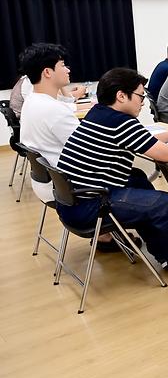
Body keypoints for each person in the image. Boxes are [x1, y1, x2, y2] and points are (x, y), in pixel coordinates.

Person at [56, 68, 168, 272]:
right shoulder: (120, 122)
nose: (142, 101)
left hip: (72, 202)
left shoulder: (100, 113)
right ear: (121, 95)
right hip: (90, 207)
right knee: (167, 205)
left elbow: (139, 140)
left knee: (137, 178)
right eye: (140, 96)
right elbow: (165, 155)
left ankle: (163, 251)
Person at [18, 44, 120, 252]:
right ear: (47, 72)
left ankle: (108, 235)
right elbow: (91, 148)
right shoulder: (52, 110)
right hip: (68, 189)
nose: (68, 70)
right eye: (63, 65)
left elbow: (65, 107)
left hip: (47, 182)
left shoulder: (33, 101)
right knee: (131, 175)